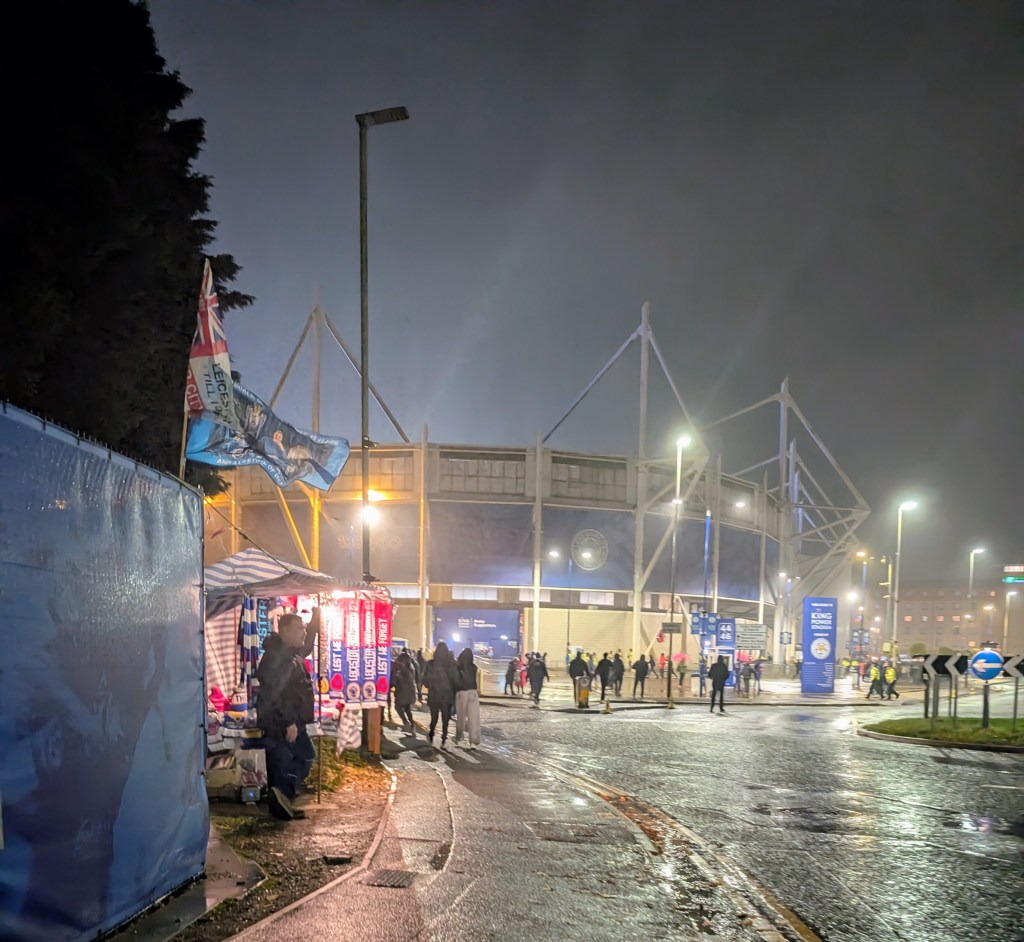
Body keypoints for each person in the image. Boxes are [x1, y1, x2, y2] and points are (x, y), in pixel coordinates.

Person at [256, 611, 318, 820]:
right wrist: (289, 721)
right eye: (300, 628)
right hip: (280, 722)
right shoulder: (278, 657)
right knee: (302, 756)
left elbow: (307, 646)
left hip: (287, 720)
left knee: (281, 765)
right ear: (285, 631)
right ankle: (283, 797)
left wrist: (316, 618)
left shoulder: (290, 653)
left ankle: (281, 806)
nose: (304, 632)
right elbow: (276, 693)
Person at [425, 642, 459, 747]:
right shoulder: (451, 664)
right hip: (447, 695)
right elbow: (456, 681)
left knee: (434, 717)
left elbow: (425, 681)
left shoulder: (430, 664)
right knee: (445, 718)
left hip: (434, 695)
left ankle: (431, 733)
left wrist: (431, 686)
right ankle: (444, 737)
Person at [454, 648, 482, 748]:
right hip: (473, 692)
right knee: (473, 717)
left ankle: (459, 736)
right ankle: (473, 740)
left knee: (461, 717)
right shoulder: (474, 667)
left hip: (461, 692)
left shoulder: (458, 667)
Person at [391, 650, 418, 734]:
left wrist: (396, 678)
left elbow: (399, 680)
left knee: (398, 707)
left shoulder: (403, 669)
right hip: (410, 692)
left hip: (402, 692)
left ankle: (406, 723)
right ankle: (412, 726)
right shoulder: (411, 667)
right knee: (407, 709)